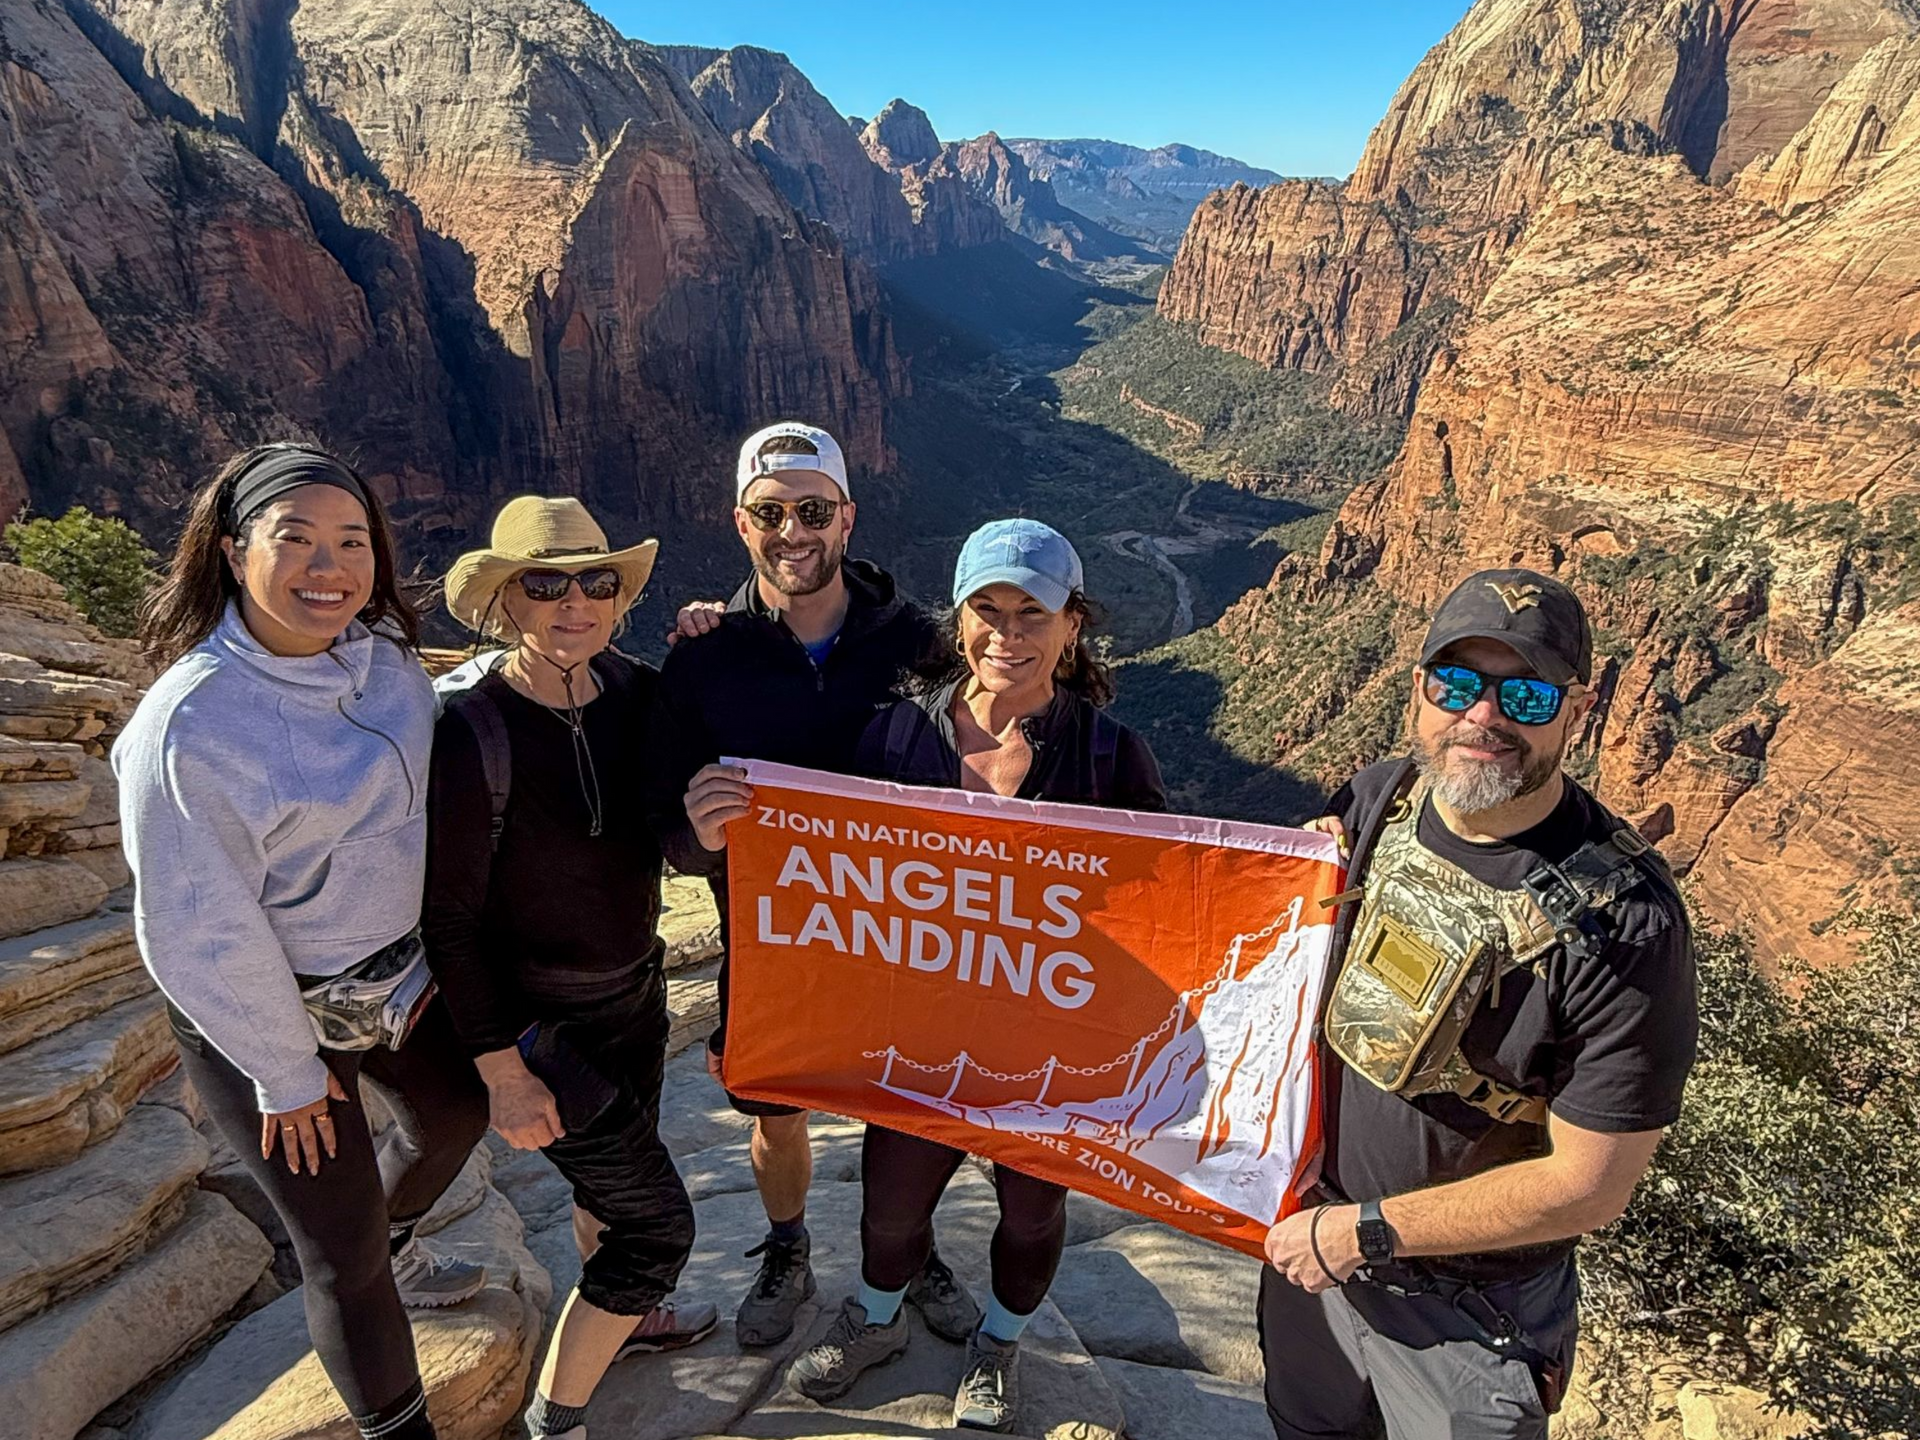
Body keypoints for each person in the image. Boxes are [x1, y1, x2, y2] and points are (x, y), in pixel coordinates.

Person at [1258, 569, 1698, 1440]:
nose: (1483, 718)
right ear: (1418, 689)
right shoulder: (1380, 799)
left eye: (1525, 694)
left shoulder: (1629, 924)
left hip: (1470, 1314)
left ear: (1577, 711)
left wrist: (1367, 1233)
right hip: (1311, 1254)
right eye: (1455, 684)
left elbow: (1588, 1188)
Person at [114, 443, 489, 1440]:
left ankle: (391, 1227)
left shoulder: (386, 664)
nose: (331, 568)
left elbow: (438, 728)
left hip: (390, 979)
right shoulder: (189, 727)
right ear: (236, 554)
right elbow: (195, 929)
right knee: (341, 1255)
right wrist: (283, 1072)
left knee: (455, 1112)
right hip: (262, 1012)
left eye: (352, 541)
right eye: (298, 542)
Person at [788, 518, 1167, 1432]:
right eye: (986, 609)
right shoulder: (893, 735)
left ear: (1072, 625)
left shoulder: (1111, 754)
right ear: (958, 620)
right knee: (889, 1208)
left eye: (1031, 612)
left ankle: (997, 1341)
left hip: (1048, 1049)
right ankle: (878, 1316)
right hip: (919, 1038)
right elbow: (828, 860)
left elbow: (1174, 896)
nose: (1008, 633)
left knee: (1032, 1215)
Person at [650, 420, 974, 1351]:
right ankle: (788, 1246)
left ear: (848, 519)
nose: (794, 531)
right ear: (741, 524)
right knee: (775, 1114)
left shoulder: (919, 645)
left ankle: (910, 1249)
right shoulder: (703, 656)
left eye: (814, 510)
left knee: (903, 1110)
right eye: (771, 512)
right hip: (767, 945)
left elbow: (1003, 747)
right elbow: (663, 826)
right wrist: (698, 836)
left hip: (898, 941)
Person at [423, 496, 718, 1440]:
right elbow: (450, 924)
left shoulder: (636, 694)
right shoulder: (474, 733)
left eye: (595, 583)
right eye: (544, 585)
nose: (573, 605)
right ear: (506, 599)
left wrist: (718, 637)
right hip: (541, 1031)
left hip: (635, 996)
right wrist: (502, 1071)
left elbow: (678, 844)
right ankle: (559, 1421)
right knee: (657, 1228)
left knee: (606, 1195)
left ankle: (622, 1322)